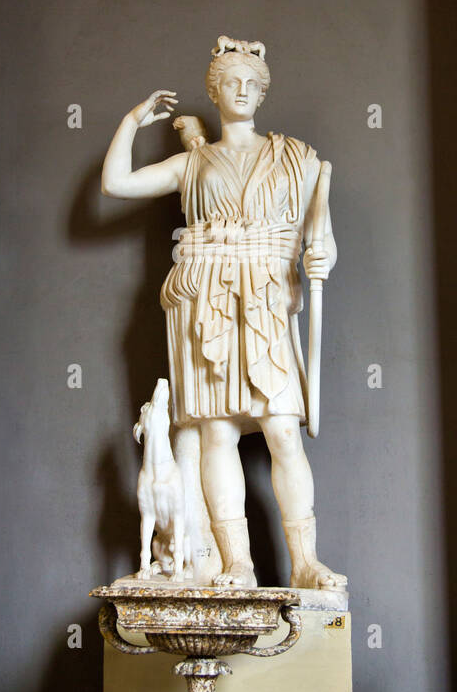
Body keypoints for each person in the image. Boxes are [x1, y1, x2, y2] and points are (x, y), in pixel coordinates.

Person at [102, 35, 346, 591]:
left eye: (252, 84)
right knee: (218, 433)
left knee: (283, 429)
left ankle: (305, 561)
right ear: (215, 90)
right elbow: (115, 184)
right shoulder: (194, 162)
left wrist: (322, 254)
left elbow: (319, 232)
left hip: (265, 296)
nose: (242, 90)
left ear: (262, 93)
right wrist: (133, 121)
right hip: (206, 299)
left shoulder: (295, 156)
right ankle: (238, 562)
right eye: (232, 82)